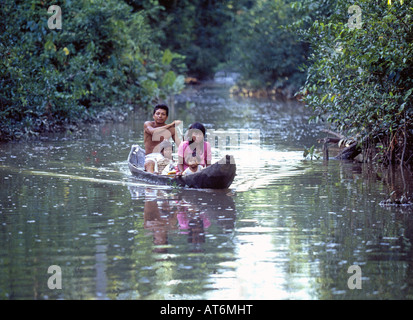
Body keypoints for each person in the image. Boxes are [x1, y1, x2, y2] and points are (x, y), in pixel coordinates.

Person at [144, 104, 181, 173]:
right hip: (150, 157)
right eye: (157, 114)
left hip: (165, 158)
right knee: (149, 164)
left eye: (163, 114)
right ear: (153, 116)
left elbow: (180, 145)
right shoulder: (148, 124)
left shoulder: (171, 129)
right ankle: (152, 177)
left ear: (166, 117)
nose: (160, 116)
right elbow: (153, 132)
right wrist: (171, 125)